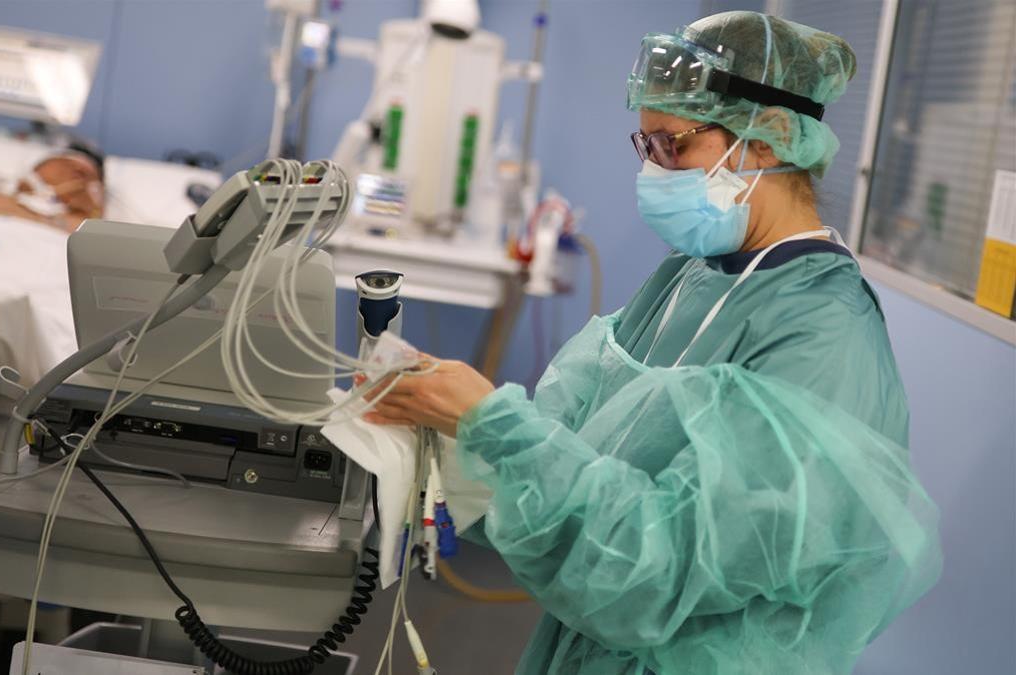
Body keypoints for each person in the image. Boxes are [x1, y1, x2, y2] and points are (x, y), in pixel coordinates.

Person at [363, 12, 941, 675]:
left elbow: (659, 572)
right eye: (647, 147)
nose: (656, 171)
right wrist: (446, 415)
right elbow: (575, 442)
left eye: (676, 145)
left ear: (770, 138)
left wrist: (493, 424)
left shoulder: (820, 333)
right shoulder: (692, 273)